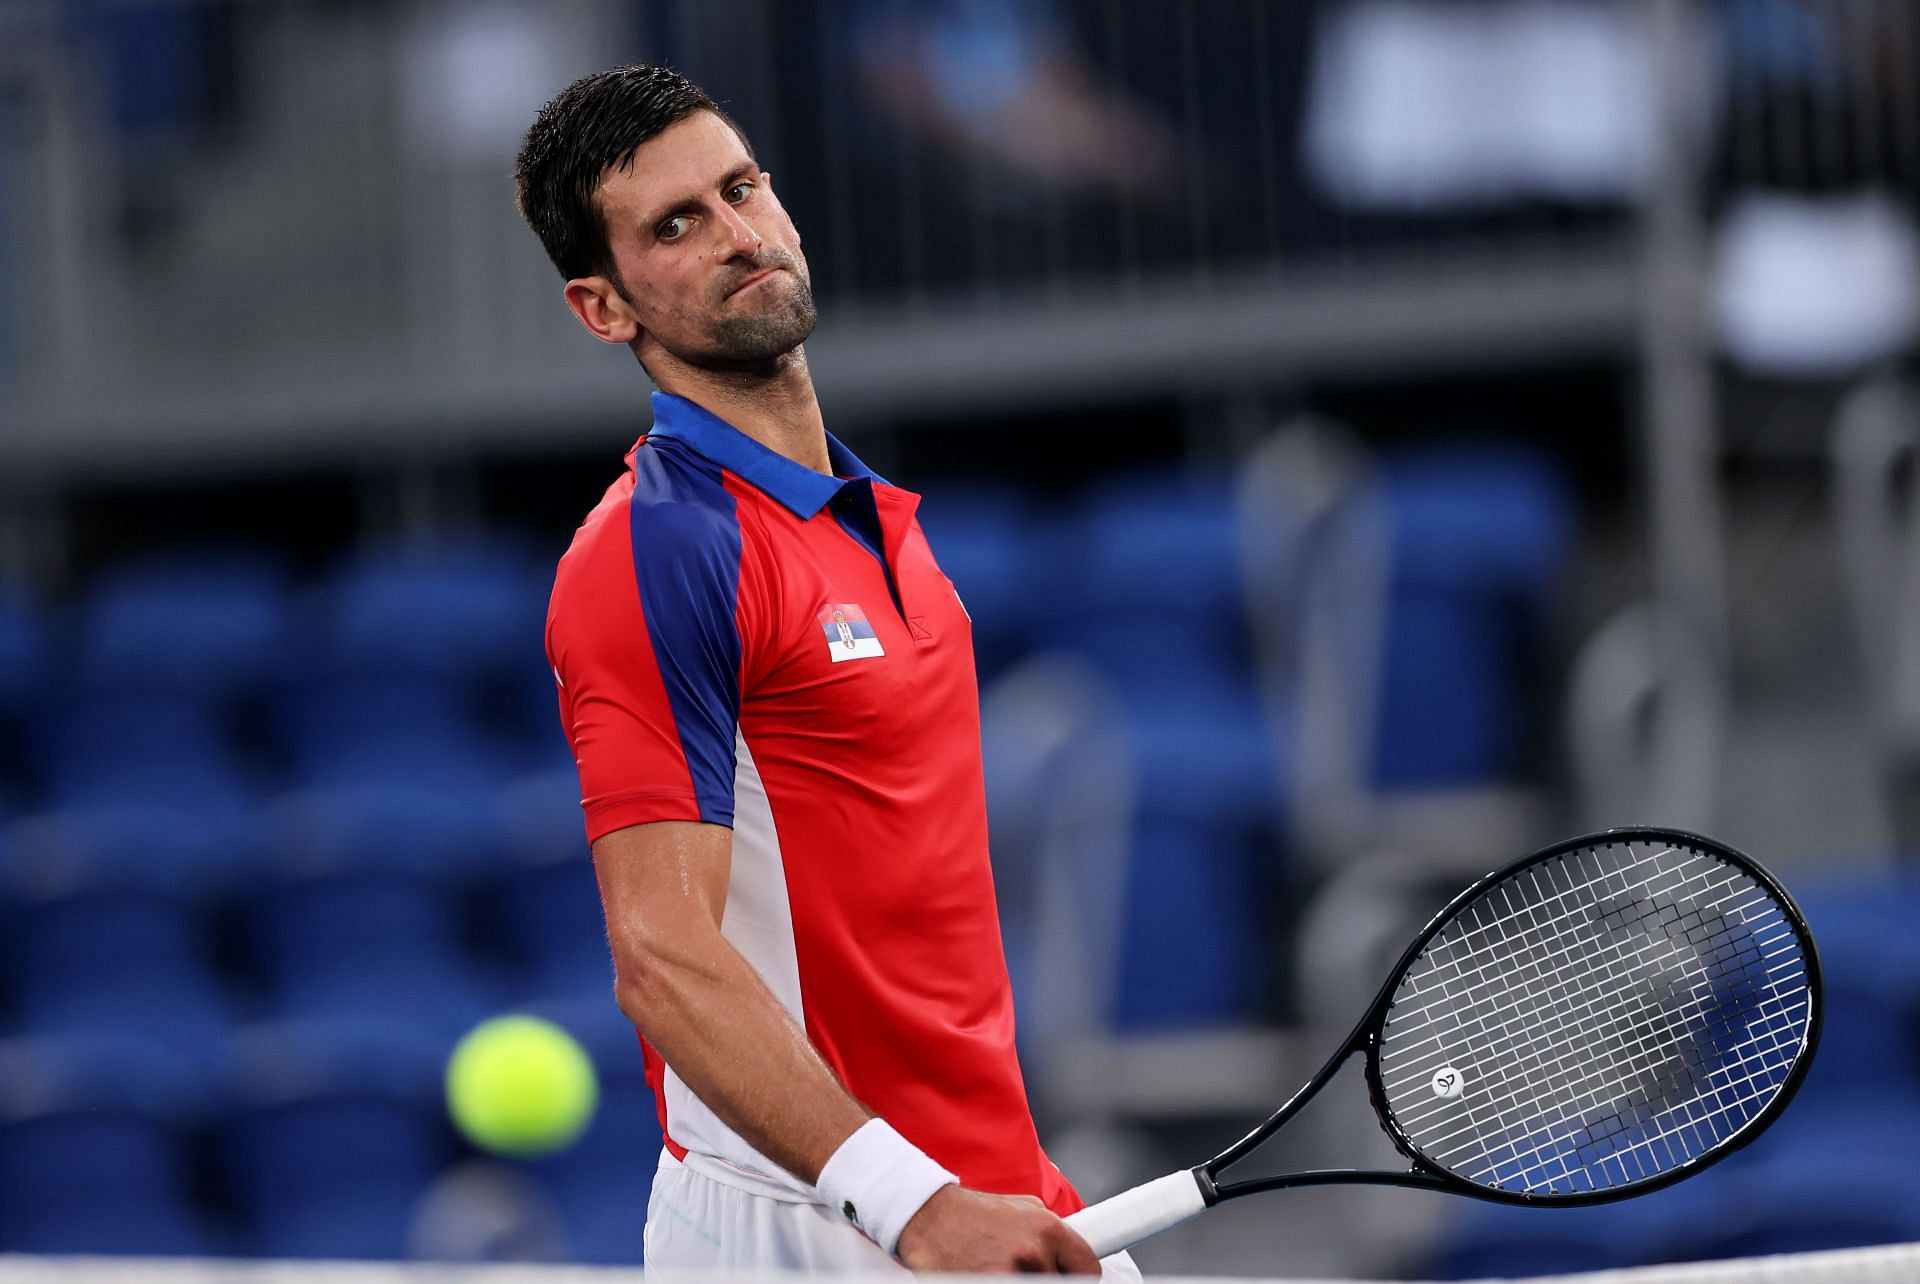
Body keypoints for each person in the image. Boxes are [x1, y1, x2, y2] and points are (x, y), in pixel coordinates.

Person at [514, 64, 1139, 1278]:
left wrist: (977, 1187)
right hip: (807, 1223)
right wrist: (909, 1202)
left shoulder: (877, 518)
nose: (740, 236)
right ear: (604, 308)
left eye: (742, 188)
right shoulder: (656, 548)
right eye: (676, 225)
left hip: (971, 1188)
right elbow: (660, 954)